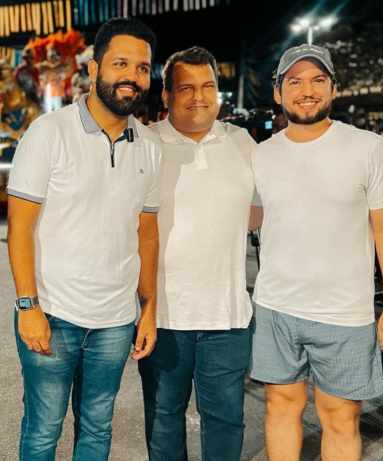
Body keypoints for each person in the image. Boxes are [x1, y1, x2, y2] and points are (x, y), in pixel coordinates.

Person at [7, 17, 161, 461]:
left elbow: (145, 233)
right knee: (43, 428)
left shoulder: (149, 146)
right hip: (53, 315)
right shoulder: (49, 133)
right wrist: (27, 306)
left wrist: (148, 309)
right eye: (121, 63)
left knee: (97, 427)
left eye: (143, 68)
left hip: (115, 322)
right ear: (94, 70)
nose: (132, 76)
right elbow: (20, 229)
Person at [250, 44, 383, 461]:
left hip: (345, 313)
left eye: (318, 79)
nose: (307, 89)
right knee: (281, 407)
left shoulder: (367, 147)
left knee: (339, 418)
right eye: (294, 81)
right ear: (278, 93)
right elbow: (247, 218)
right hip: (275, 307)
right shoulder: (261, 154)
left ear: (333, 88)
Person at [140, 46, 260, 461]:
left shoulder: (242, 141)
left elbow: (260, 212)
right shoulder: (145, 144)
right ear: (166, 96)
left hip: (227, 318)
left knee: (226, 419)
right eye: (186, 87)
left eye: (208, 86)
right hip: (162, 317)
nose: (198, 96)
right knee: (163, 417)